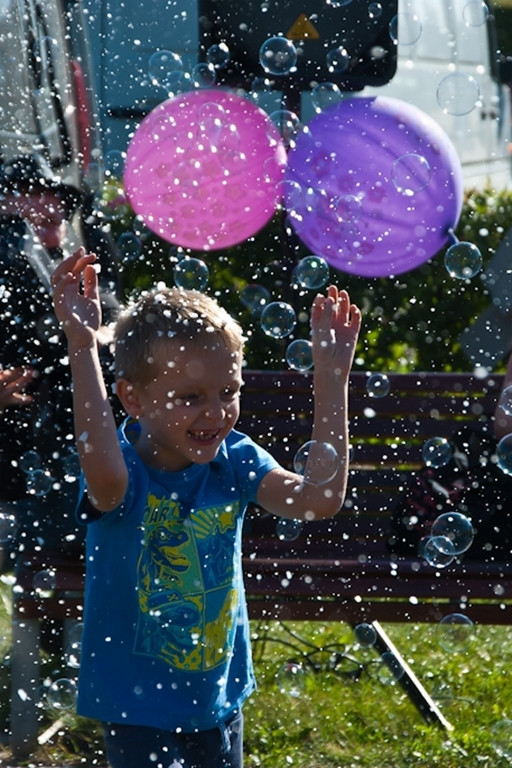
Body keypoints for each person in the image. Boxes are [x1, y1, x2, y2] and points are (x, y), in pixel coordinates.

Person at [51, 247, 361, 768]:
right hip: (136, 708)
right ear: (133, 399)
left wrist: (331, 380)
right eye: (191, 396)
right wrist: (82, 344)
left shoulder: (234, 460)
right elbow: (102, 476)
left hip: (217, 699)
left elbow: (317, 500)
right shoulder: (124, 473)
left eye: (227, 391)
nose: (216, 412)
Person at [0, 153, 117, 556]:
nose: (53, 208)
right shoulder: (12, 262)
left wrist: (99, 336)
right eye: (35, 195)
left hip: (62, 451)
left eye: (58, 199)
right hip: (22, 460)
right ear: (6, 204)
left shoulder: (65, 266)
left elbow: (114, 324)